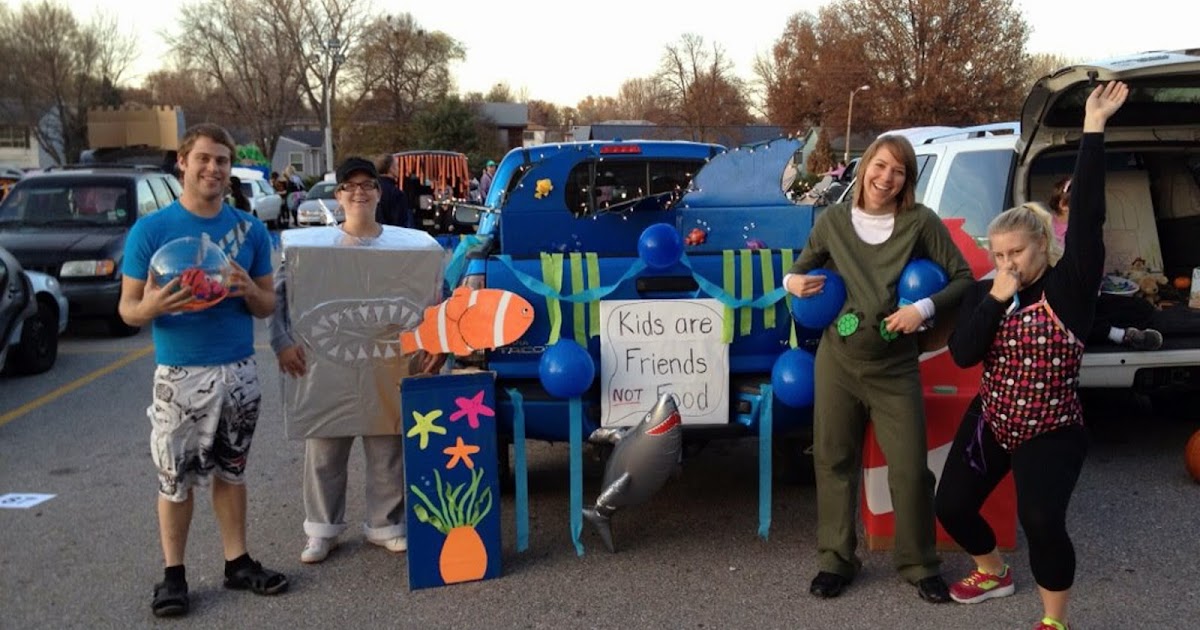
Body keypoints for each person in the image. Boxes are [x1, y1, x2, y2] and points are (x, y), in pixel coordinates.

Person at [935, 81, 1130, 630]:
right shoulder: (987, 290)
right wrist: (996, 299)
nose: (1007, 262)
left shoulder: (1070, 286)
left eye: (1016, 252)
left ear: (1043, 245)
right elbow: (963, 353)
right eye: (998, 254)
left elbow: (1088, 216)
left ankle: (1053, 620)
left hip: (1052, 426)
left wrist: (1094, 129)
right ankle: (991, 570)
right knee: (950, 507)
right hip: (994, 418)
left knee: (1042, 520)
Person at [785, 134, 974, 602]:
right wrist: (793, 280)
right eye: (881, 166)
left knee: (910, 468)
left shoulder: (919, 222)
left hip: (895, 367)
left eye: (899, 171)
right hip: (839, 363)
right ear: (866, 164)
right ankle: (835, 559)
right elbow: (798, 268)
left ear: (907, 180)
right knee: (834, 461)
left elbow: (964, 278)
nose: (886, 178)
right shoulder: (833, 221)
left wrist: (924, 308)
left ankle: (919, 563)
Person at [117, 123, 284, 618]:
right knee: (176, 479)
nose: (213, 169)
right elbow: (127, 309)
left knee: (232, 472)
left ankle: (237, 564)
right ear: (183, 163)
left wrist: (247, 292)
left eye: (222, 162)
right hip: (179, 375)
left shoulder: (249, 230)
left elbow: (267, 303)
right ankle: (174, 576)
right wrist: (153, 305)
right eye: (204, 159)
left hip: (237, 372)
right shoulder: (151, 231)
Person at [270, 156, 444, 564]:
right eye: (351, 186)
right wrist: (281, 342)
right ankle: (321, 529)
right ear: (339, 195)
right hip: (326, 364)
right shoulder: (315, 250)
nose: (360, 192)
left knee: (387, 442)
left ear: (379, 193)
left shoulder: (410, 247)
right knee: (325, 446)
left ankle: (386, 524)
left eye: (368, 185)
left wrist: (439, 342)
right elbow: (281, 295)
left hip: (388, 363)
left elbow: (437, 294)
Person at [1046, 176, 1163, 350]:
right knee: (1073, 317)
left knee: (1142, 308)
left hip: (1093, 297)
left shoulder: (1084, 229)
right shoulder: (1052, 232)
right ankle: (1121, 335)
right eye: (1086, 204)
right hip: (1066, 301)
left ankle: (1108, 330)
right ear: (1064, 205)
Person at [373, 153, 412, 228]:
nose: (399, 169)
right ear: (391, 168)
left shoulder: (371, 189)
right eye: (397, 165)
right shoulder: (396, 193)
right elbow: (400, 223)